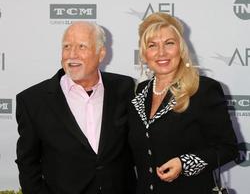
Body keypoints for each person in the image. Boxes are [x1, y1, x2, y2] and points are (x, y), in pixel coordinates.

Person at [15, 21, 136, 194]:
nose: (72, 54)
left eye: (81, 46)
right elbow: (28, 164)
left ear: (101, 53)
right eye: (67, 46)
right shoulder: (33, 101)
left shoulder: (124, 88)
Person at [128, 12, 238, 194]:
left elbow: (228, 149)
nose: (161, 52)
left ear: (181, 48)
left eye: (169, 43)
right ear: (144, 53)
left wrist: (184, 163)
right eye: (152, 45)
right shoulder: (140, 92)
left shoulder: (202, 89)